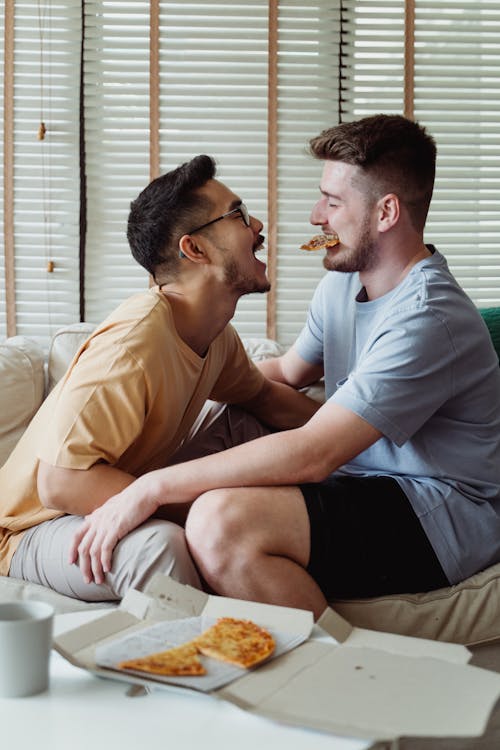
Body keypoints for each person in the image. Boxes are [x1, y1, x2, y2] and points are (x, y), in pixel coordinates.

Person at [69, 115, 500, 619]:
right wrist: (179, 375)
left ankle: (330, 677)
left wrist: (149, 487)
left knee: (220, 521)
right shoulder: (341, 284)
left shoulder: (429, 318)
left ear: (386, 212)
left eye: (333, 202)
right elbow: (287, 372)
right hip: (364, 481)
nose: (317, 215)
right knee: (241, 420)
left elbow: (314, 452)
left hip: (441, 512)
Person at [0, 154, 319, 602]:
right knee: (158, 548)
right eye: (239, 215)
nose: (259, 225)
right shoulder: (137, 341)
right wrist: (190, 506)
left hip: (110, 489)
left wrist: (373, 440)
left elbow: (266, 398)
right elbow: (62, 482)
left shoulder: (215, 336)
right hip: (34, 525)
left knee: (251, 425)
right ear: (195, 249)